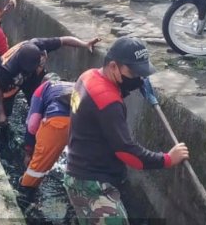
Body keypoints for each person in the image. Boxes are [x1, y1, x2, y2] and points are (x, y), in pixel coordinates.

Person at [64, 36, 190, 224]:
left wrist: (127, 86)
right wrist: (167, 159)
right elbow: (127, 152)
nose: (138, 79)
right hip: (93, 183)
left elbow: (95, 113)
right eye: (134, 74)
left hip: (77, 171)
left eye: (142, 74)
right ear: (114, 66)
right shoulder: (109, 102)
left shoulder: (88, 76)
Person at [0, 36, 100, 125]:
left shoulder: (39, 44)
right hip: (10, 84)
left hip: (31, 77)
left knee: (37, 103)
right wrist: (0, 113)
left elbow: (64, 40)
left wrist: (85, 44)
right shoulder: (7, 69)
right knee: (3, 116)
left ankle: (36, 120)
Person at [20, 74, 74, 189]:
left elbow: (32, 124)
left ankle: (25, 195)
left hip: (59, 120)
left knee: (36, 170)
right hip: (87, 120)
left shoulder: (41, 89)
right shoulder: (69, 86)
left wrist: (28, 153)